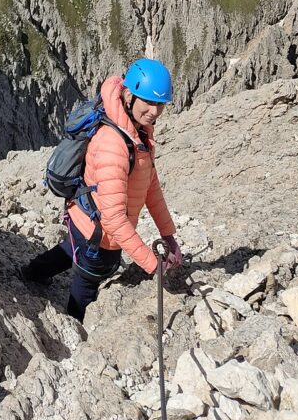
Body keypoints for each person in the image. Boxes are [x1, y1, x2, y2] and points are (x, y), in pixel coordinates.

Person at [22, 58, 183, 321]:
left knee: (69, 249)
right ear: (129, 96)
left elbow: (148, 184)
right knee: (87, 282)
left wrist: (168, 235)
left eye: (160, 104)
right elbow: (115, 220)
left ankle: (32, 273)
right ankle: (75, 325)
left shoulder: (137, 132)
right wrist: (153, 266)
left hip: (84, 219)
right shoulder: (114, 144)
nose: (155, 111)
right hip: (99, 234)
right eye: (149, 102)